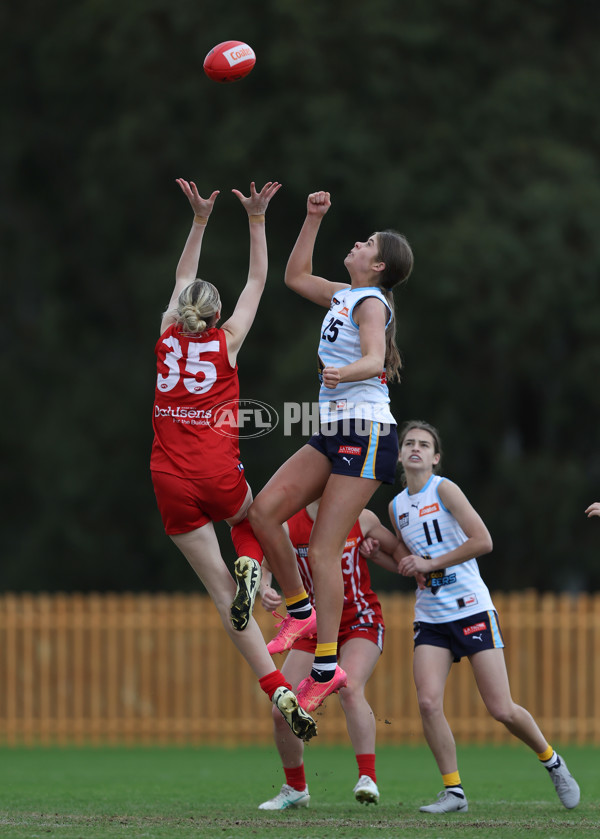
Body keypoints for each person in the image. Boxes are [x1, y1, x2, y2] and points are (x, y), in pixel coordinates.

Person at [150, 177, 316, 742]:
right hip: (218, 473)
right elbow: (258, 280)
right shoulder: (228, 340)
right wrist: (255, 218)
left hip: (169, 479)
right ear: (217, 316)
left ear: (181, 312)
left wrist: (198, 221)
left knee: (223, 598)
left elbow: (181, 281)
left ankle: (277, 688)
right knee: (251, 519)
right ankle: (255, 568)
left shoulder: (167, 337)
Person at [246, 190, 414, 713]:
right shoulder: (346, 292)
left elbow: (374, 358)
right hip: (334, 430)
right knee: (264, 512)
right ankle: (301, 610)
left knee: (322, 551)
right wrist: (312, 219)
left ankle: (324, 666)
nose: (358, 243)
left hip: (366, 434)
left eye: (367, 243)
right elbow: (296, 276)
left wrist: (346, 372)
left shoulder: (370, 302)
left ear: (379, 264)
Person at [387, 420, 580, 813]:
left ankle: (553, 762)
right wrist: (389, 554)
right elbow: (414, 563)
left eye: (424, 444)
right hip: (430, 615)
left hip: (471, 607)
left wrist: (432, 561)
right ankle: (454, 791)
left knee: (501, 709)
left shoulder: (445, 489)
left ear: (435, 457)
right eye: (409, 443)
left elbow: (483, 541)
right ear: (401, 453)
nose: (416, 449)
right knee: (427, 702)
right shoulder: (395, 507)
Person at [257, 500, 400, 810]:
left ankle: (367, 778)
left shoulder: (361, 518)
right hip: (317, 625)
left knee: (348, 687)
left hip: (360, 620)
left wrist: (380, 555)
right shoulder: (290, 523)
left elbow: (401, 555)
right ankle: (295, 788)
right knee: (282, 707)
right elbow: (266, 564)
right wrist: (264, 589)